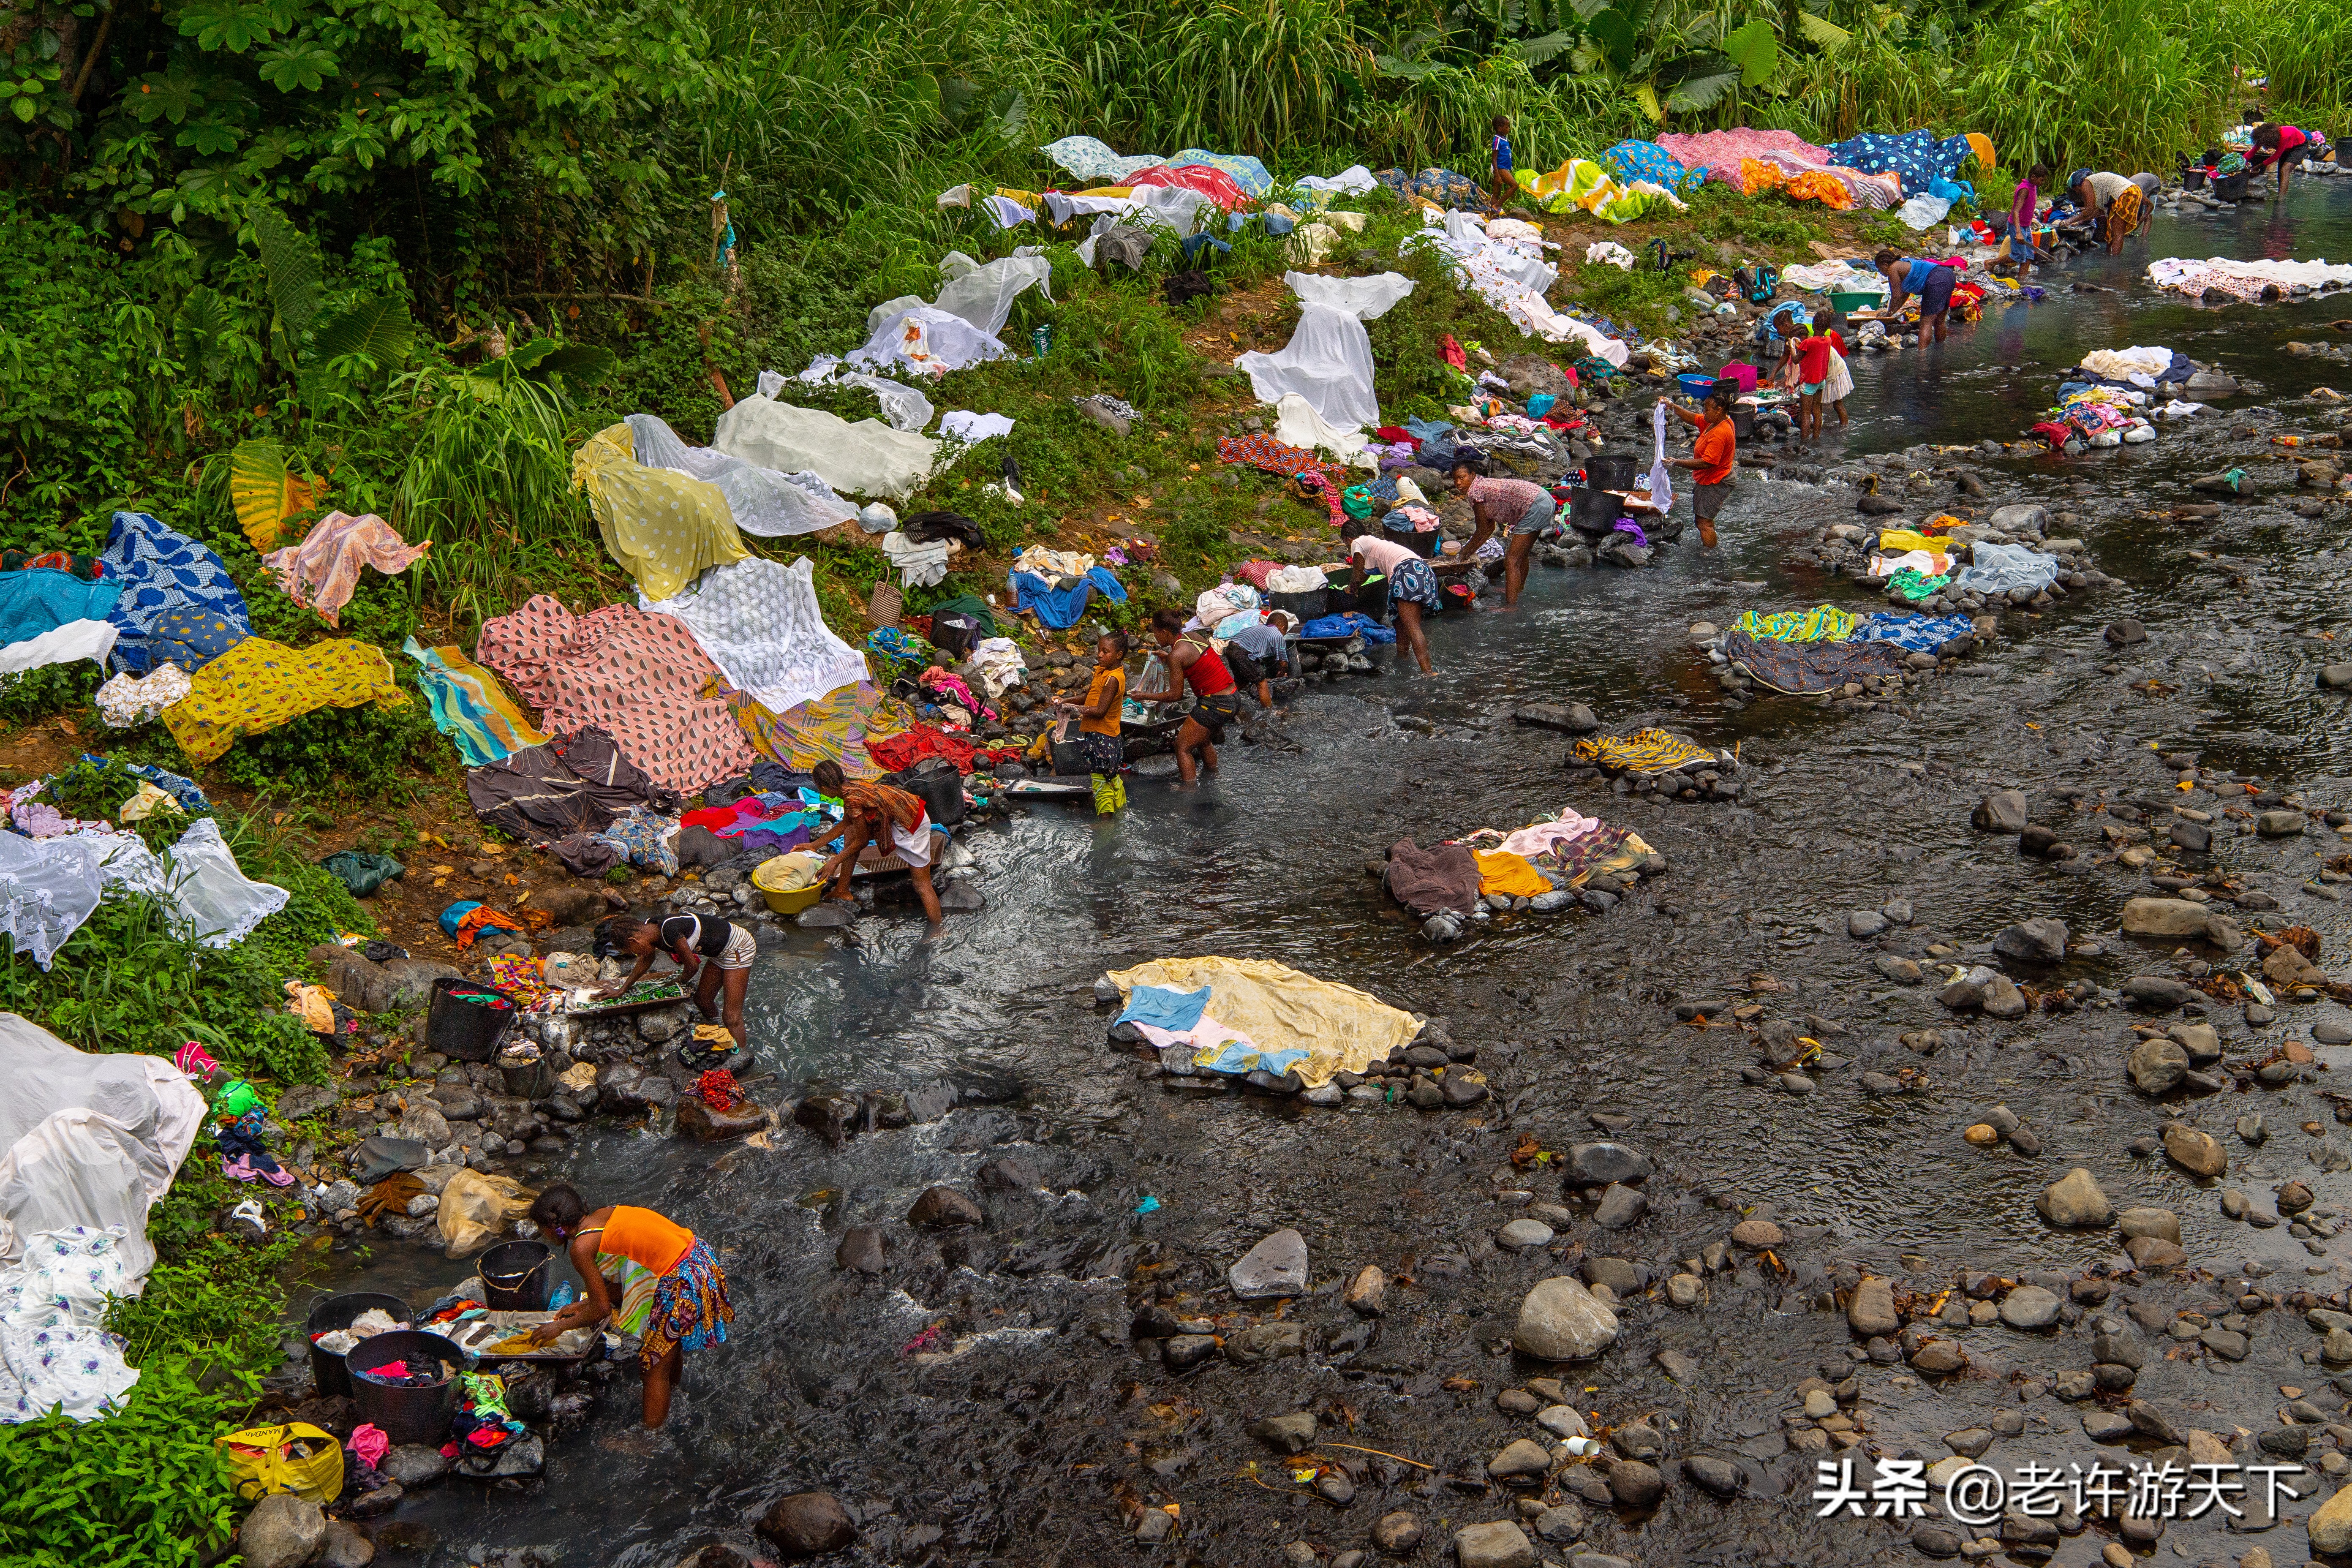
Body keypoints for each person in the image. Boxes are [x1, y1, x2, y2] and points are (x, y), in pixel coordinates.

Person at [525, 1185, 731, 1429]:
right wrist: (583, 1304)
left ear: (552, 1227)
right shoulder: (606, 1215)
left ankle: (650, 1439)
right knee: (667, 1350)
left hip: (680, 1283)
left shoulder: (581, 1248)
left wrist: (558, 1327)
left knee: (652, 1369)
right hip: (698, 1261)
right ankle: (669, 1393)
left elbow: (602, 1310)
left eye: (541, 1229)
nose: (542, 1234)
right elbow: (629, 1278)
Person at [596, 912, 752, 1060]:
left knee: (731, 1016)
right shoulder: (649, 928)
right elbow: (646, 960)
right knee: (702, 1000)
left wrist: (674, 984)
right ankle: (718, 1031)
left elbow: (692, 967)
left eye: (633, 952)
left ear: (634, 941)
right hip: (718, 952)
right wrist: (622, 990)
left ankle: (742, 1059)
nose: (637, 955)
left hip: (738, 948)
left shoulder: (670, 931)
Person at [810, 759, 942, 922]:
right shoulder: (851, 787)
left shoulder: (852, 799)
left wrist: (834, 862)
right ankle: (843, 890)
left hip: (913, 822)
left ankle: (937, 931)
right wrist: (813, 845)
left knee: (922, 885)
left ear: (823, 789)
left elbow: (863, 841)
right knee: (851, 832)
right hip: (898, 816)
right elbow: (847, 823)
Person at [1129, 608, 1242, 785]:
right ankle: (1213, 778)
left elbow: (1176, 695)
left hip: (1215, 704)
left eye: (1155, 631)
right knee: (1203, 740)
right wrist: (1169, 658)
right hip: (1233, 697)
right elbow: (1197, 661)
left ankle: (1189, 791)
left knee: (1182, 747)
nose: (1155, 636)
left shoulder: (1177, 656)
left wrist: (1143, 695)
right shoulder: (1192, 636)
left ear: (1165, 632)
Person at [1450, 460, 1554, 608]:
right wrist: (1467, 552)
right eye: (1455, 479)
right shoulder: (1481, 485)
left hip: (1535, 506)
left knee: (1511, 560)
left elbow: (1483, 531)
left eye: (1462, 478)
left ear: (1472, 475)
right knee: (1522, 555)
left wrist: (1463, 554)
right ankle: (1517, 591)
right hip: (1544, 499)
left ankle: (1510, 607)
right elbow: (1489, 528)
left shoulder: (1476, 491)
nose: (1458, 483)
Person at [1057, 629, 1129, 816]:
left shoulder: (1114, 679)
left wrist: (1073, 709)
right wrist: (1066, 701)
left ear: (1119, 655)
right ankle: (1121, 813)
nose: (1099, 655)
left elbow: (1100, 711)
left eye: (1105, 652)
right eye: (1099, 650)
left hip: (1104, 737)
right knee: (1111, 778)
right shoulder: (1101, 671)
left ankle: (1105, 826)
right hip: (1102, 735)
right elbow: (1089, 697)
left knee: (1100, 780)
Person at [1345, 527, 1436, 673]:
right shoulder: (1374, 544)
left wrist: (1351, 589)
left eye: (1346, 545)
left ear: (1348, 540)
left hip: (1407, 571)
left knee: (1413, 628)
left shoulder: (1357, 542)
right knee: (1400, 624)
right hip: (1423, 570)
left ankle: (1429, 674)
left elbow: (1357, 572)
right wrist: (1356, 585)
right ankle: (1402, 662)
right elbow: (1365, 575)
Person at [1658, 390, 1736, 547]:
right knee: (1705, 520)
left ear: (1719, 410)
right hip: (1715, 476)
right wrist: (1673, 406)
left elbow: (1708, 462)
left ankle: (1710, 557)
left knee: (1703, 523)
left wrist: (1676, 462)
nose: (1703, 413)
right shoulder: (1716, 421)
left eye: (1707, 410)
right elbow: (1692, 418)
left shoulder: (1721, 433)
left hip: (1716, 480)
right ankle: (1710, 547)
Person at [1785, 309, 1846, 441]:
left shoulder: (1809, 343)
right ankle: (1816, 439)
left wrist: (1791, 347)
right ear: (1828, 327)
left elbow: (1796, 360)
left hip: (1809, 382)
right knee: (1817, 412)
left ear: (1813, 324)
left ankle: (1804, 443)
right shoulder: (1828, 340)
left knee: (1806, 413)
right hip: (1821, 381)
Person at [1876, 249, 1957, 344]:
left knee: (1926, 324)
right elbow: (1904, 295)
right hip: (1948, 275)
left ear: (1885, 265)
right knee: (1939, 321)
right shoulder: (1902, 264)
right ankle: (1940, 351)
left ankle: (1921, 357)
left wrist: (1888, 315)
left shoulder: (1893, 269)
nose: (1880, 272)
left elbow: (1896, 296)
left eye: (1880, 269)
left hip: (1936, 279)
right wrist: (1891, 313)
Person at [1222, 611, 1295, 709]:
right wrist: (1282, 674)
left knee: (1242, 681)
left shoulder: (1259, 627)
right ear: (1282, 628)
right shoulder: (1278, 635)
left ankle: (1222, 699)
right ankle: (1270, 711)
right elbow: (1284, 662)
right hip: (1243, 653)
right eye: (1284, 633)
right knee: (1262, 683)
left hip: (1231, 648)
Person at [2069, 171, 2141, 254]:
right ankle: (2109, 257)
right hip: (2132, 191)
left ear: (2076, 185)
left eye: (2075, 190)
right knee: (2111, 232)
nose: (2077, 193)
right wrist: (2079, 221)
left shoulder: (2085, 184)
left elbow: (2089, 210)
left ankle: (2113, 263)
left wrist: (2070, 221)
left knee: (2117, 234)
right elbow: (2100, 211)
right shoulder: (2094, 185)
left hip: (2127, 193)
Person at [2005, 166, 2049, 267]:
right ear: (2033, 177)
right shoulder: (2025, 189)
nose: (2043, 183)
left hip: (2026, 225)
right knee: (2019, 255)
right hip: (2017, 225)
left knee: (2029, 255)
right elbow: (2016, 211)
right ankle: (1990, 263)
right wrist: (2018, 232)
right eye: (2042, 180)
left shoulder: (2033, 186)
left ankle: (2023, 281)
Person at [2252, 122, 2308, 198]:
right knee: (2280, 173)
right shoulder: (2262, 137)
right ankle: (2281, 194)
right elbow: (2252, 152)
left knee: (2285, 170)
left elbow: (2277, 156)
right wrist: (2241, 160)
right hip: (2287, 149)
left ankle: (2281, 199)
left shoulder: (2284, 136)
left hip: (2300, 147)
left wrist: (2259, 166)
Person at [1488, 115, 1514, 210]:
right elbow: (1494, 158)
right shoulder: (1497, 140)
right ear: (1500, 128)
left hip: (1503, 168)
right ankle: (1498, 205)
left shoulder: (1503, 138)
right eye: (1507, 127)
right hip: (1500, 168)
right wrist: (1498, 174)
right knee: (1514, 186)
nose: (1509, 129)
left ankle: (1493, 211)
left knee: (1496, 193)